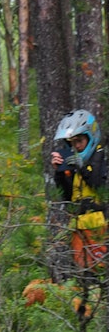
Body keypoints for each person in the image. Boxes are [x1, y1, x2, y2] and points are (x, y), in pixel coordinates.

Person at [50, 109, 109, 273]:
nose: (75, 146)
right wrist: (60, 173)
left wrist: (82, 167)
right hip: (79, 228)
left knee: (102, 274)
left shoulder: (101, 159)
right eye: (71, 142)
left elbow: (100, 186)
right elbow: (68, 197)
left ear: (90, 137)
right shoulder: (73, 164)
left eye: (79, 141)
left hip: (101, 228)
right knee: (83, 276)